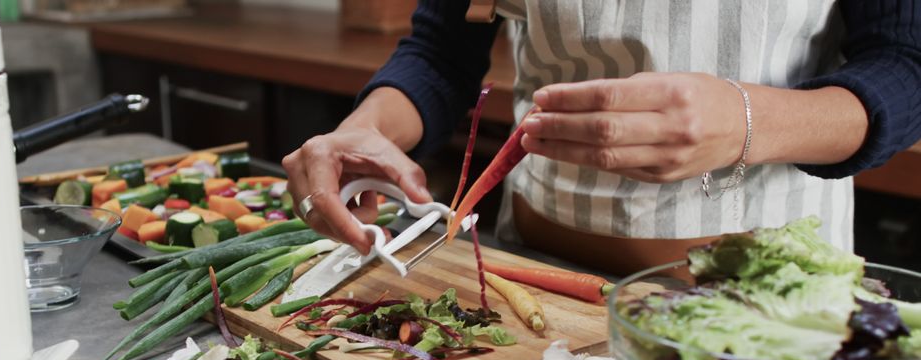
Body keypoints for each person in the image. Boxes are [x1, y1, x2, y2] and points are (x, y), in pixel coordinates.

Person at [282, 0, 921, 275]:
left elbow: (905, 68)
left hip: (770, 297)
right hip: (532, 274)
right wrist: (361, 132)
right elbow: (441, 53)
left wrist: (746, 121)